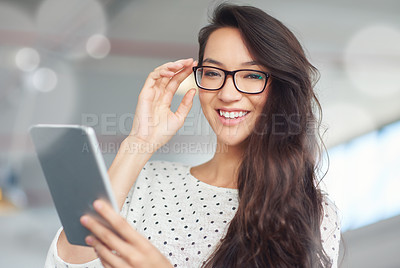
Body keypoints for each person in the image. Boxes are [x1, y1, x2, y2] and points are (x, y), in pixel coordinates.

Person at [45, 3, 341, 268]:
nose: (227, 94)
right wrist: (138, 143)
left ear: (281, 88)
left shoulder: (311, 211)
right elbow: (66, 264)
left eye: (252, 75)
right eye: (213, 73)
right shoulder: (147, 181)